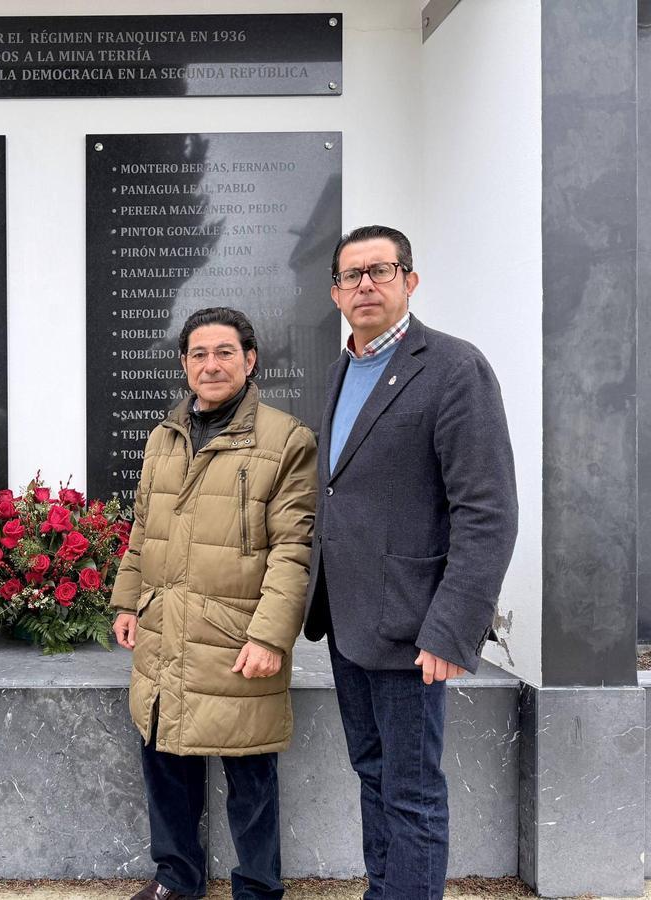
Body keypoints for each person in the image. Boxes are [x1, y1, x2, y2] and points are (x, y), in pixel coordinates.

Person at [304, 225, 519, 899]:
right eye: (351, 275)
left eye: (381, 270)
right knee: (372, 772)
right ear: (336, 291)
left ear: (410, 281)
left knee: (413, 790)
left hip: (412, 628)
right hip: (349, 619)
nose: (364, 285)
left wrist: (452, 627)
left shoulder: (455, 368)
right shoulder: (341, 368)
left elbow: (486, 511)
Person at [111, 307, 317, 900]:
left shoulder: (286, 439)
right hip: (162, 633)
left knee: (250, 773)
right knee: (165, 763)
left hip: (234, 639)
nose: (211, 364)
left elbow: (293, 549)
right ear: (183, 365)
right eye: (198, 354)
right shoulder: (162, 438)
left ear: (251, 361)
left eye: (225, 352)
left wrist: (270, 636)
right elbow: (141, 531)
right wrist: (127, 603)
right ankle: (176, 879)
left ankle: (258, 888)